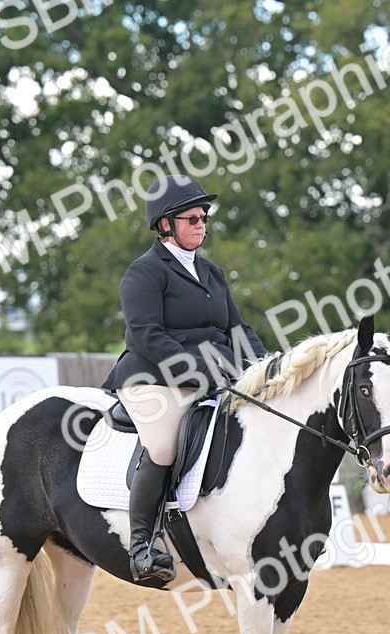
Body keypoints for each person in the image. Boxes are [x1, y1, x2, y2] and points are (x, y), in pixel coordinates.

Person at [102, 174, 268, 582]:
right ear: (165, 225)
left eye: (203, 217)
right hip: (153, 378)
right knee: (162, 446)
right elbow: (147, 335)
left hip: (211, 376)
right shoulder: (143, 272)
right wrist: (200, 370)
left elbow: (237, 328)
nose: (201, 225)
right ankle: (141, 546)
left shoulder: (211, 272)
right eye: (191, 218)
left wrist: (265, 364)